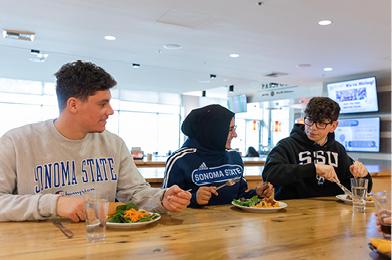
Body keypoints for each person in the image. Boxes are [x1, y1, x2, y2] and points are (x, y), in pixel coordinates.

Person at [0, 60, 191, 222]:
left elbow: (135, 193)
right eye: (102, 103)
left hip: (103, 244)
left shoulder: (114, 144)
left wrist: (162, 198)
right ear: (73, 104)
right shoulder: (16, 142)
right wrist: (54, 204)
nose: (110, 111)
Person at [262, 97, 372, 200]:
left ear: (333, 126)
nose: (312, 128)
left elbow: (362, 190)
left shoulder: (338, 149)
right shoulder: (287, 145)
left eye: (320, 123)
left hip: (331, 213)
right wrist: (314, 169)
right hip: (293, 211)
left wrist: (363, 175)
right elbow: (269, 174)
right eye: (309, 121)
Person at [162, 104, 273, 207]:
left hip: (231, 224)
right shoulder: (180, 160)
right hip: (193, 226)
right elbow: (167, 200)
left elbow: (240, 196)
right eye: (230, 129)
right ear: (212, 131)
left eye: (235, 128)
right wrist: (194, 198)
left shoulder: (234, 157)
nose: (235, 134)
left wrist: (257, 193)